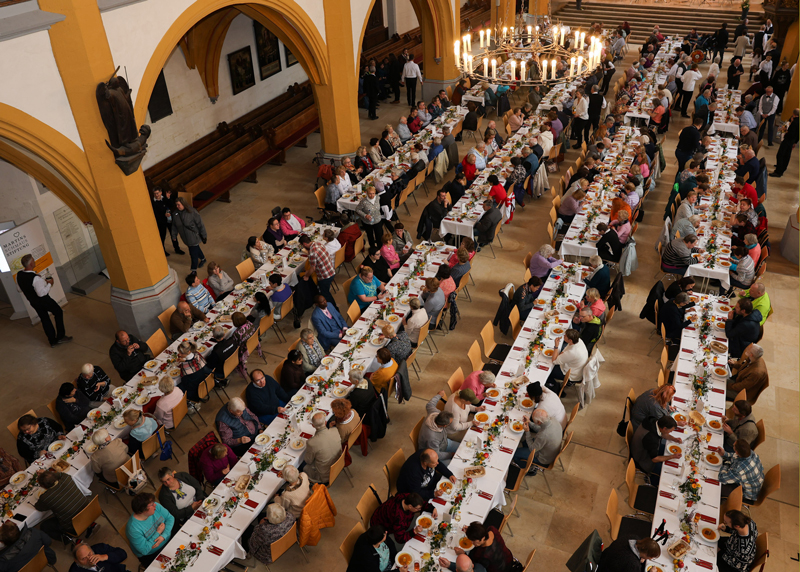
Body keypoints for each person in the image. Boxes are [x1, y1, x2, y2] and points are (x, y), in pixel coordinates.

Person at [15, 254, 71, 348]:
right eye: (34, 260)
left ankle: (52, 341)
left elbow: (19, 289)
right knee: (58, 312)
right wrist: (49, 284)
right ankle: (61, 336)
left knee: (45, 319)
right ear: (31, 263)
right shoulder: (36, 278)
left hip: (33, 302)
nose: (34, 261)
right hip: (44, 300)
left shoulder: (19, 275)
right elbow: (41, 294)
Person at [35, 471, 92, 544]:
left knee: (44, 526)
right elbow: (60, 474)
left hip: (74, 525)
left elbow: (39, 507)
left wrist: (43, 477)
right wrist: (47, 474)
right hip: (90, 512)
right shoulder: (67, 478)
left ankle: (69, 539)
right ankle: (92, 524)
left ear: (43, 486)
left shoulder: (46, 497)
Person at [631, 416, 682, 485]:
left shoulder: (654, 421)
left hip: (644, 448)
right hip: (641, 459)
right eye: (670, 431)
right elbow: (654, 459)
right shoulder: (651, 438)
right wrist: (672, 456)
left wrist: (674, 439)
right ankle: (652, 483)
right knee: (666, 471)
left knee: (666, 451)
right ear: (664, 428)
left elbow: (662, 434)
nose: (670, 433)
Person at [127, 493, 174, 567]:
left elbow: (170, 518)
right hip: (152, 554)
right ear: (142, 510)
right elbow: (144, 550)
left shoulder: (156, 507)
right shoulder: (133, 529)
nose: (155, 505)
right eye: (151, 504)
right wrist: (158, 532)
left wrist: (164, 536)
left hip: (168, 540)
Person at [171, 197, 207, 272]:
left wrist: (204, 235)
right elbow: (174, 226)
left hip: (193, 236)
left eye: (179, 205)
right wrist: (174, 235)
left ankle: (193, 270)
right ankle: (203, 259)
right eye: (176, 205)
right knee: (195, 248)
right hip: (185, 237)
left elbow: (200, 224)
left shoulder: (192, 212)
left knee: (193, 253)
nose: (177, 206)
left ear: (183, 204)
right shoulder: (175, 214)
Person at [304, 412, 341, 484]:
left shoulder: (311, 442)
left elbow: (308, 461)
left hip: (324, 475)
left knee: (301, 465)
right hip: (338, 465)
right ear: (326, 422)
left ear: (313, 426)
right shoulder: (335, 430)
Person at [597, 535, 662, 572]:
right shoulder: (633, 565)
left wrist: (639, 558)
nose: (651, 559)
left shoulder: (632, 537)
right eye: (651, 557)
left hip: (603, 559)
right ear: (647, 555)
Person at [175, 340, 210, 405]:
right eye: (179, 352)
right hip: (205, 383)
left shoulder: (185, 366)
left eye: (182, 353)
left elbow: (184, 382)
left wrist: (184, 362)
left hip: (195, 392)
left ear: (189, 352)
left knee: (176, 387)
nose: (179, 355)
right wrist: (185, 359)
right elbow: (192, 361)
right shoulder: (197, 355)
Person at [771, 107, 799, 177]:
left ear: (793, 114)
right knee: (786, 154)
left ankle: (778, 171)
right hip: (792, 141)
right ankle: (782, 166)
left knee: (781, 155)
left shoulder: (795, 122)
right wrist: (795, 142)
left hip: (788, 140)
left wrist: (785, 130)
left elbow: (791, 133)